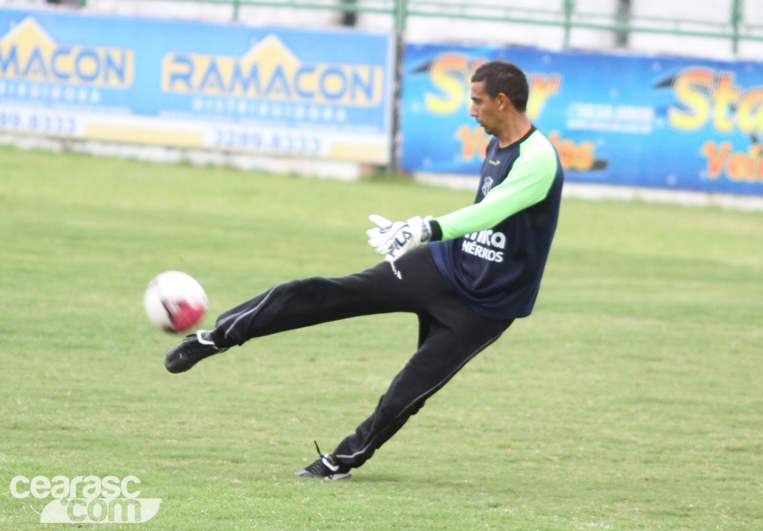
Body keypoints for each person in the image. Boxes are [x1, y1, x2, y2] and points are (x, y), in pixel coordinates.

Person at [164, 60, 564, 480]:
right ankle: (218, 337)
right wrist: (427, 236)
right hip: (442, 265)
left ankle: (340, 462)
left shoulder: (538, 159)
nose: (470, 110)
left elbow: (490, 213)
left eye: (477, 101)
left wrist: (425, 227)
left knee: (408, 391)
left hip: (485, 305)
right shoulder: (495, 143)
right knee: (328, 292)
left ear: (502, 102)